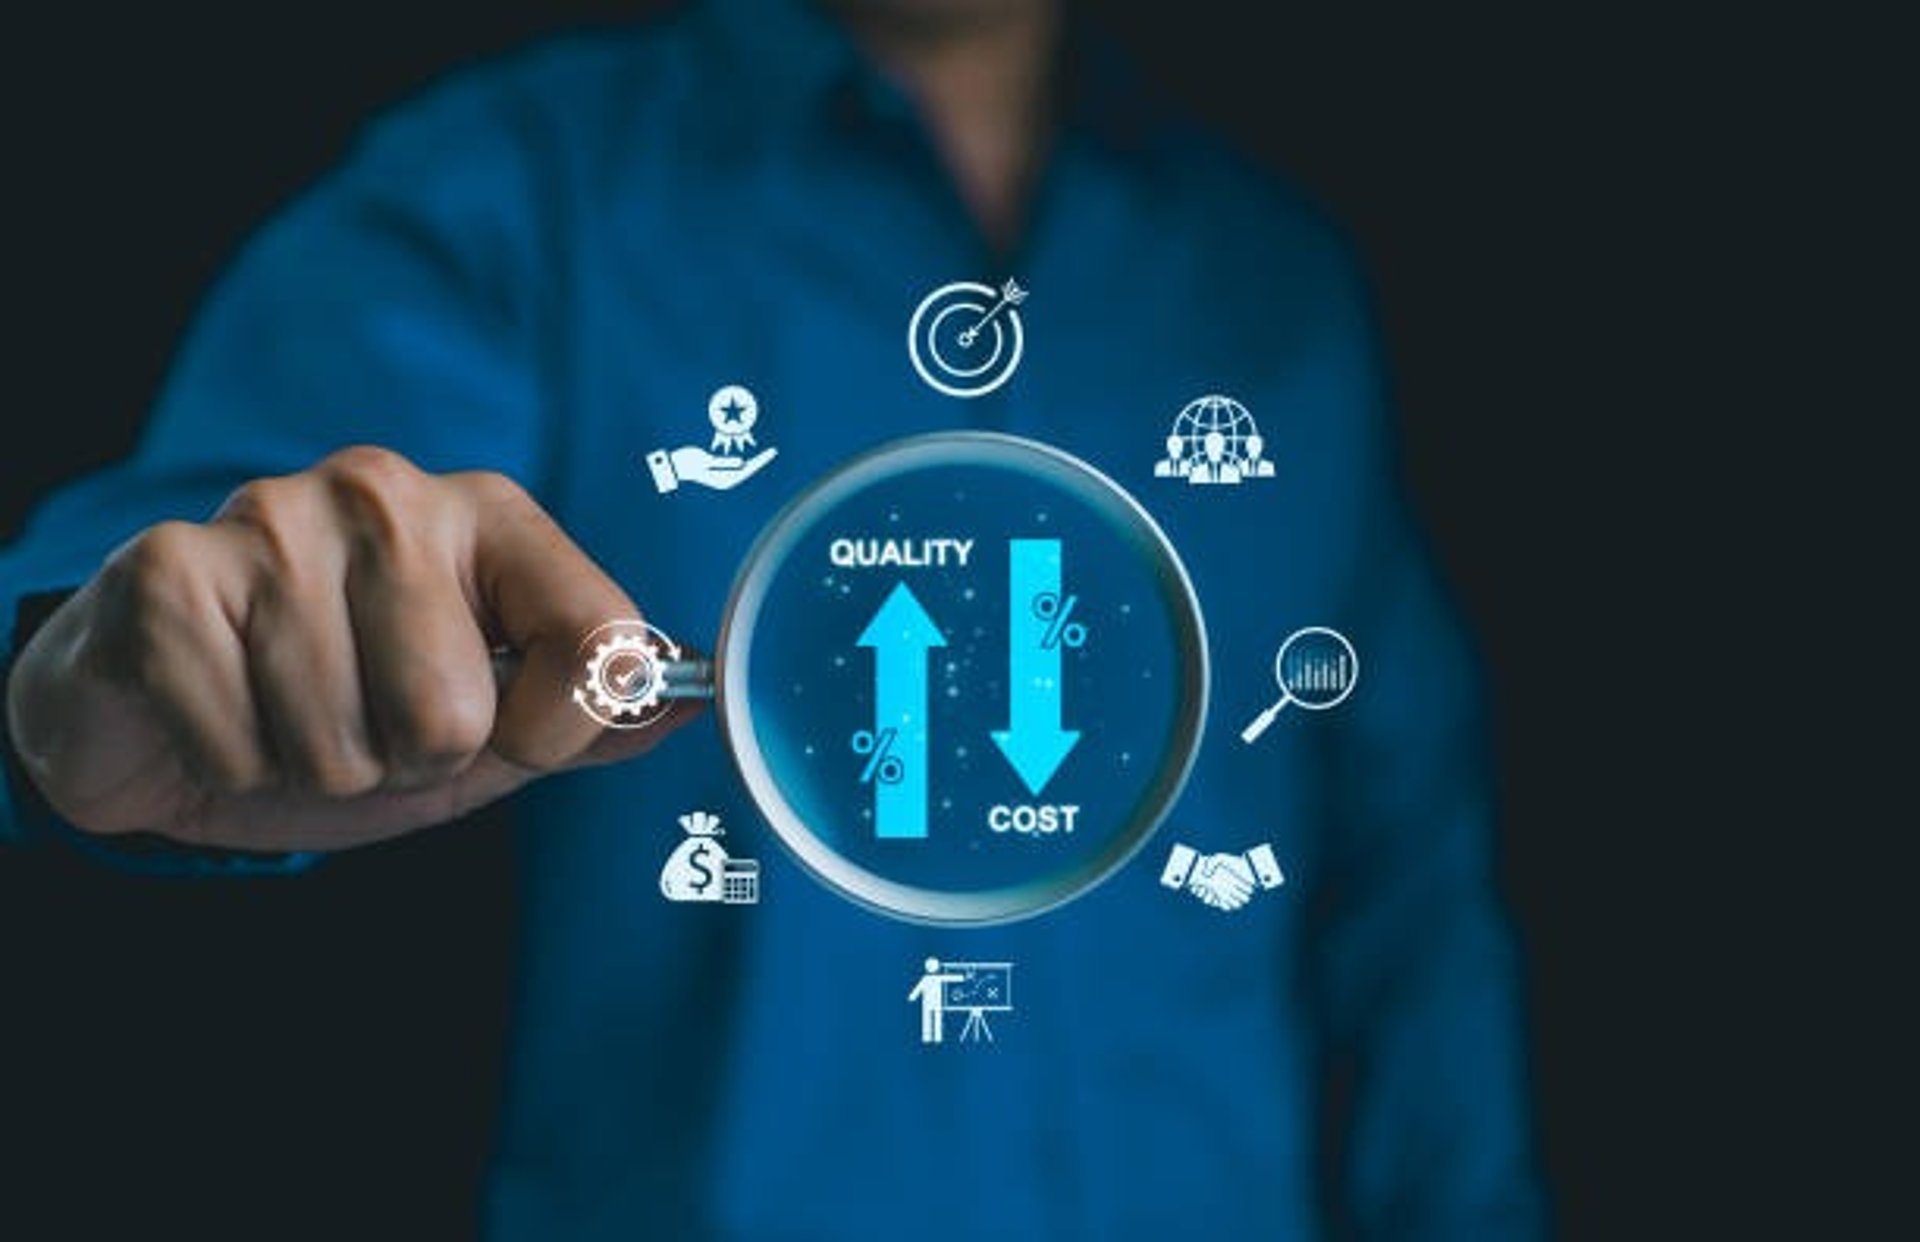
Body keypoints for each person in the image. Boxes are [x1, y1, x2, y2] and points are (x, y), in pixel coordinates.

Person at [0, 0, 1545, 1235]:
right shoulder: (512, 197)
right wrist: (88, 688)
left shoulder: (1279, 289)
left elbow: (1408, 879)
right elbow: (181, 587)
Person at [908, 957, 965, 1044]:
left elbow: (917, 989)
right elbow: (950, 978)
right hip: (934, 1003)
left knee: (930, 1021)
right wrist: (962, 977)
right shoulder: (933, 978)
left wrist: (912, 997)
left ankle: (930, 1038)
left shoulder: (928, 979)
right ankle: (934, 1038)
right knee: (933, 1021)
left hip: (929, 1004)